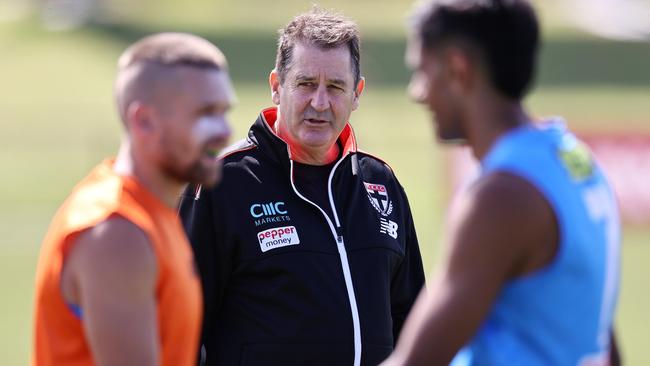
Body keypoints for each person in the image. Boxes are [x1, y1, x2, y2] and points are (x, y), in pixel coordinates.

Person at [179, 8, 425, 366]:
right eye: (306, 84)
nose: (320, 103)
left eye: (336, 87)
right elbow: (180, 330)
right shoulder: (222, 182)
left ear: (357, 94)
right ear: (277, 87)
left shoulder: (380, 183)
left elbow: (412, 321)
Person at [381, 1, 621, 365]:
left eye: (422, 71)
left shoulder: (500, 196)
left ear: (458, 70)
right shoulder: (575, 162)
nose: (418, 91)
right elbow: (602, 339)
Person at [32, 32, 234, 366]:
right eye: (204, 113)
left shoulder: (152, 210)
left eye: (224, 111)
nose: (224, 131)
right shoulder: (117, 233)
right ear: (143, 120)